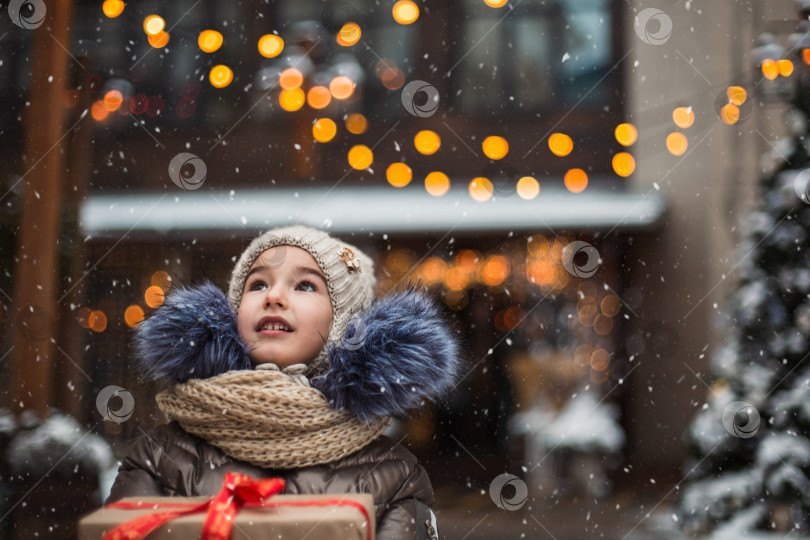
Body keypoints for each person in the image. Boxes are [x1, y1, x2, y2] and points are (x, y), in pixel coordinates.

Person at [106, 225, 459, 540]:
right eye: (257, 284)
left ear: (345, 326)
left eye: (305, 285)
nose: (273, 296)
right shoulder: (160, 456)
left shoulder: (393, 474)